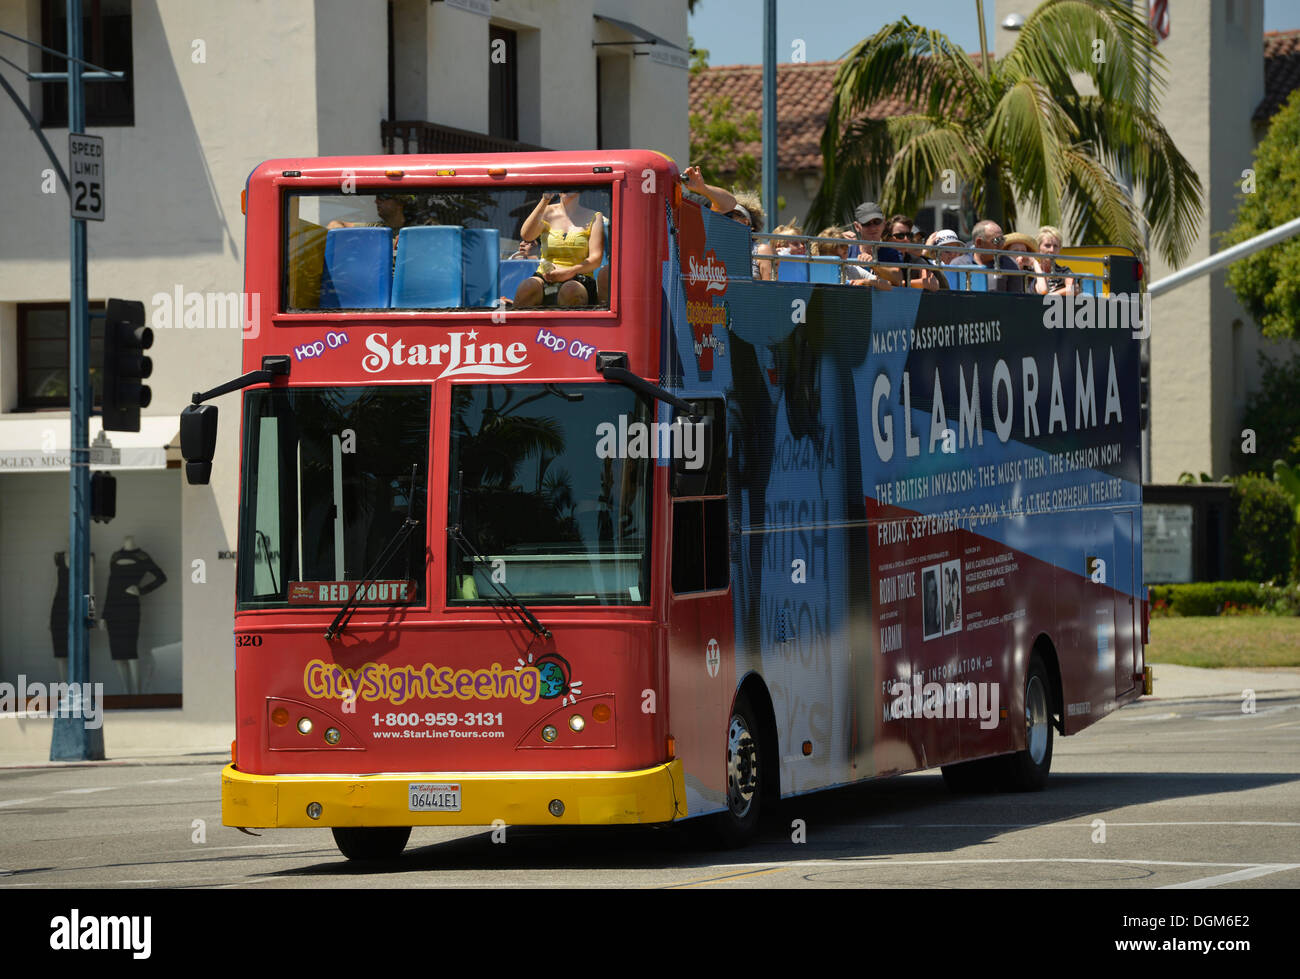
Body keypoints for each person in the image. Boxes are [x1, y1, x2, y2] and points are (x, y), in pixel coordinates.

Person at [513, 191, 605, 307]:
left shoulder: (594, 216)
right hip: (546, 276)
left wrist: (569, 272)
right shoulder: (546, 211)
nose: (567, 188)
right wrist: (545, 200)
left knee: (571, 290)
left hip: (579, 278)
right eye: (564, 184)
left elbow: (596, 259)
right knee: (527, 287)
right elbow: (527, 235)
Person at [682, 165, 774, 279]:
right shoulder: (716, 248)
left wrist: (703, 188)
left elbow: (769, 289)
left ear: (746, 223)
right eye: (721, 217)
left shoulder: (760, 250)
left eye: (729, 216)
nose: (724, 221)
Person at [949, 219, 1025, 293]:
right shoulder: (958, 265)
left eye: (1003, 240)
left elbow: (1015, 301)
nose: (1002, 245)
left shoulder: (1010, 265)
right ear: (979, 243)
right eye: (996, 241)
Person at [810, 227, 892, 288]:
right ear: (823, 255)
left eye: (845, 253)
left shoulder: (851, 269)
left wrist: (867, 282)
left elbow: (887, 285)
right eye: (837, 256)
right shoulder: (810, 270)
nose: (842, 259)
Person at [848, 202, 904, 285]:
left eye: (877, 222)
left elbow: (898, 278)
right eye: (866, 223)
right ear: (857, 226)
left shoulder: (891, 253)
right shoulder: (847, 250)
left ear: (884, 223)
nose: (873, 228)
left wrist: (874, 265)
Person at [886, 215, 941, 291]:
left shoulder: (917, 261)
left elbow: (930, 284)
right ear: (888, 238)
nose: (906, 239)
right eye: (900, 236)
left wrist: (900, 284)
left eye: (909, 236)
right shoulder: (878, 257)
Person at [1033, 225, 1079, 296]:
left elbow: (1073, 289)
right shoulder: (1030, 270)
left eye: (1055, 246)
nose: (1052, 250)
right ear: (1038, 248)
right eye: (1047, 245)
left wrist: (1051, 296)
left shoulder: (1064, 271)